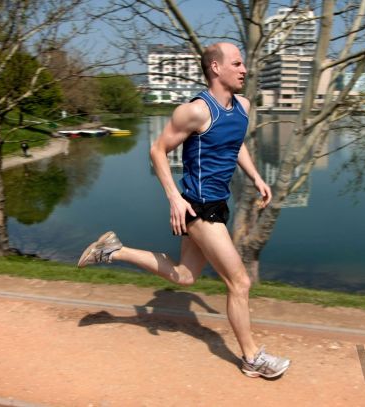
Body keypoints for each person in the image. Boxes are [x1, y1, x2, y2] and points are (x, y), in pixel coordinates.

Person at [77, 42, 290, 379]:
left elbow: (235, 145)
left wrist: (257, 176)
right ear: (216, 68)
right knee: (239, 282)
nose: (244, 69)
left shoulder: (243, 106)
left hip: (218, 204)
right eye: (237, 63)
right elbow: (157, 150)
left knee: (186, 275)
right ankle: (252, 358)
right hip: (198, 207)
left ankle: (114, 250)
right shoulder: (194, 111)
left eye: (243, 64)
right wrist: (175, 198)